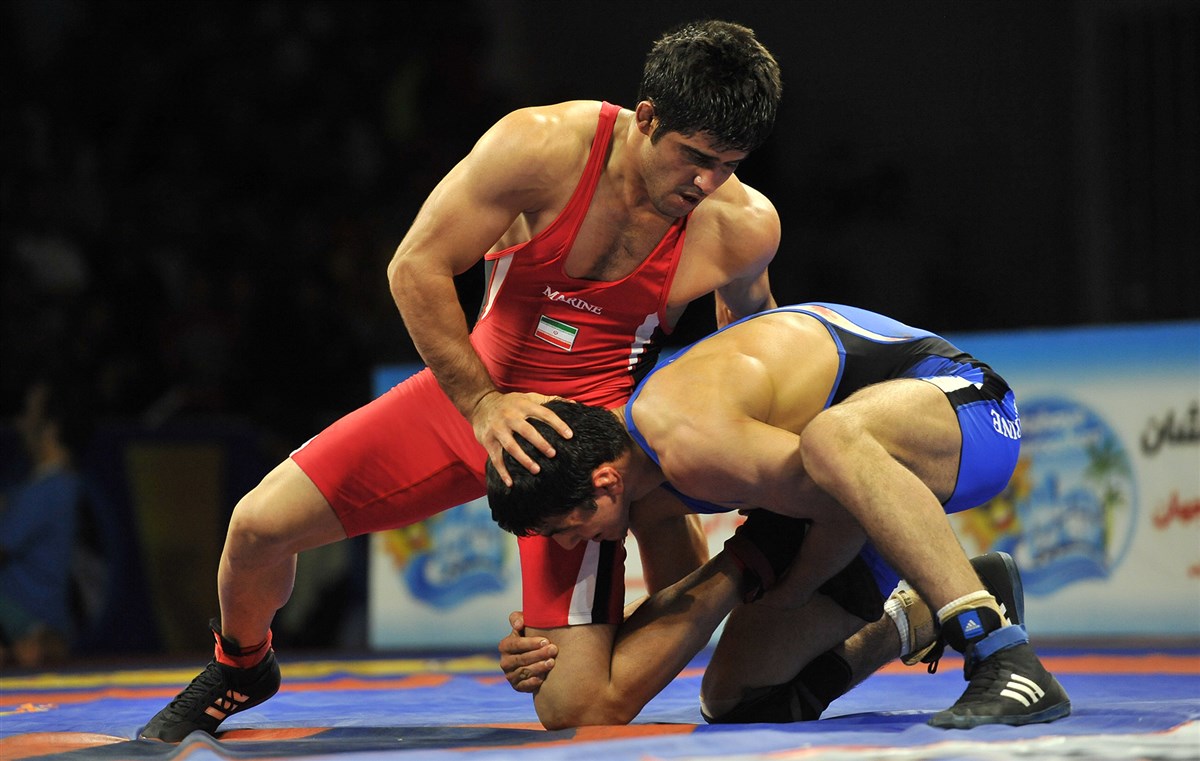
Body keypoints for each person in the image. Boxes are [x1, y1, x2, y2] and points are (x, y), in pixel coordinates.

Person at [140, 19, 783, 741]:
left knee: (573, 706)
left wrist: (718, 473)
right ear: (646, 117)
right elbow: (414, 265)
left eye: (728, 165)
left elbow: (756, 357)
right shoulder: (540, 147)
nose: (705, 183)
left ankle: (676, 600)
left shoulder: (741, 225)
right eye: (694, 157)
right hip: (469, 395)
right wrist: (482, 404)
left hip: (583, 448)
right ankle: (241, 665)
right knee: (256, 527)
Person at [485, 303, 1071, 729]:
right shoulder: (647, 488)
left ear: (604, 483)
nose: (570, 546)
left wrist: (793, 587)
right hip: (856, 489)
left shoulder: (686, 437)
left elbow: (843, 506)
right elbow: (685, 605)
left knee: (830, 440)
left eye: (564, 530)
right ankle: (920, 615)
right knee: (738, 701)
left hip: (964, 407)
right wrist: (577, 648)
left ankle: (1002, 652)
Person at [0, 379, 91, 668]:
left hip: (31, 621)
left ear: (50, 428)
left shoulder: (51, 489)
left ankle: (34, 641)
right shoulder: (47, 486)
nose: (20, 423)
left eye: (28, 413)